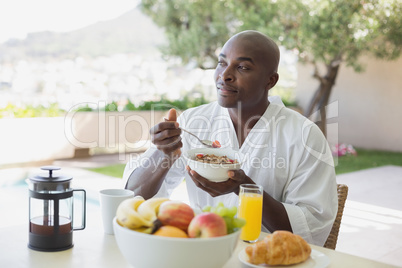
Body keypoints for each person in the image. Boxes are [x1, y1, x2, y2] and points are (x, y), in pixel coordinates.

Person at [122, 30, 338, 246]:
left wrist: (243, 188)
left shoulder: (303, 135)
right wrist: (163, 155)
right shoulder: (193, 122)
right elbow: (132, 197)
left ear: (270, 81)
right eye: (221, 63)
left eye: (242, 67)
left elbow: (311, 230)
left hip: (268, 257)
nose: (224, 75)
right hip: (203, 251)